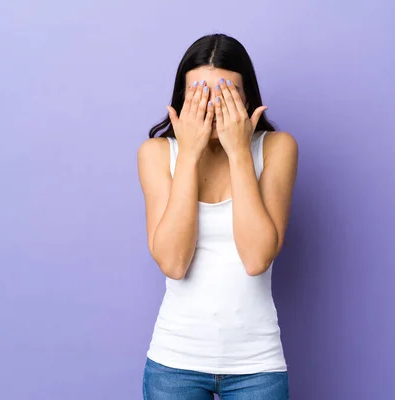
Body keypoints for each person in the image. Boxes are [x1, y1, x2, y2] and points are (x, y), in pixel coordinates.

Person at [137, 33, 298, 400]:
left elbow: (257, 258)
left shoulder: (277, 149)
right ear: (180, 100)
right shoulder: (157, 154)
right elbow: (174, 263)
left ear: (246, 100)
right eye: (198, 96)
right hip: (174, 363)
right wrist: (190, 155)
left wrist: (240, 152)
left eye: (224, 95)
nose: (211, 109)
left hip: (257, 366)